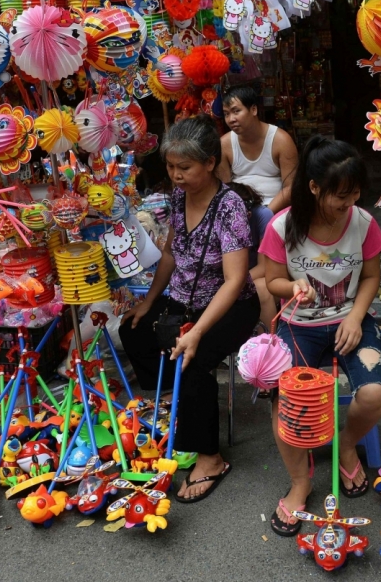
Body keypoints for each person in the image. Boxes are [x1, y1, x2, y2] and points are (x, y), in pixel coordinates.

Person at [119, 115, 260, 503]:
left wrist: (197, 331)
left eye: (185, 167)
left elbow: (234, 281)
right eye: (170, 167)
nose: (176, 175)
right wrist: (148, 302)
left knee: (192, 360)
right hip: (183, 299)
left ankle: (211, 457)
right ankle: (174, 404)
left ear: (211, 163)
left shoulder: (230, 207)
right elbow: (169, 255)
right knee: (132, 329)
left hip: (229, 305)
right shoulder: (179, 197)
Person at [258, 136, 381, 536]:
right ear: (314, 187)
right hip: (300, 325)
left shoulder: (363, 223)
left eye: (353, 196)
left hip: (352, 320)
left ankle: (346, 443)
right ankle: (301, 481)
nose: (348, 205)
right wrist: (294, 286)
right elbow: (271, 280)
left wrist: (355, 318)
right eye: (340, 197)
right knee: (286, 404)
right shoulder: (282, 227)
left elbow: (370, 277)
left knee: (374, 394)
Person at [216, 85, 298, 212]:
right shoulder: (224, 144)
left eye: (236, 111)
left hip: (277, 211)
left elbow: (291, 187)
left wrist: (266, 214)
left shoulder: (281, 140)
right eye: (227, 114)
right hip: (239, 212)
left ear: (253, 110)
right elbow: (224, 188)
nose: (231, 119)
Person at [228, 182, 278, 329]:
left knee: (261, 289)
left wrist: (234, 283)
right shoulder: (217, 218)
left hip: (260, 276)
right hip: (230, 278)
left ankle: (268, 345)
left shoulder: (262, 215)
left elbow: (264, 267)